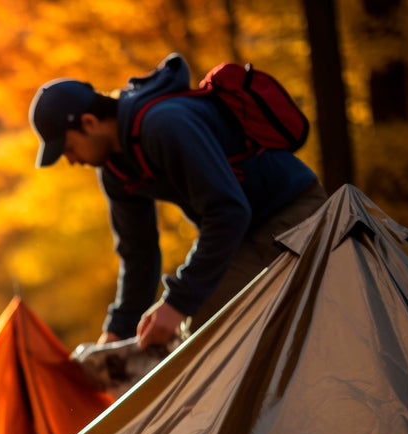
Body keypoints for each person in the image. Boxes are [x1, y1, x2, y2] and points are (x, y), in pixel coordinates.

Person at [29, 54, 327, 349]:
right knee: (193, 330)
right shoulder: (115, 171)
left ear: (89, 123)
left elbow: (228, 211)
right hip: (244, 232)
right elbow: (139, 254)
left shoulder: (164, 124)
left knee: (204, 332)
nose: (69, 160)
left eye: (68, 148)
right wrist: (118, 332)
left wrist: (177, 302)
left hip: (293, 212)